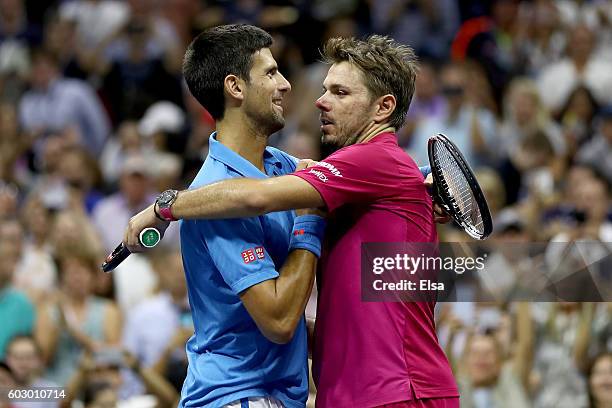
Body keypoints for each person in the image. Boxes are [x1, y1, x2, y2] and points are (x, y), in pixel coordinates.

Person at [125, 34, 458, 407]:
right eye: (271, 72)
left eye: (340, 93)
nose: (317, 99)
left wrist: (163, 207)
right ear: (234, 87)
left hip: (398, 391)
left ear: (383, 108)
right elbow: (292, 323)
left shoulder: (368, 163)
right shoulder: (353, 179)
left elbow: (254, 196)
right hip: (304, 394)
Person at [128, 24, 324, 408]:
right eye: (270, 72)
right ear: (235, 87)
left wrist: (419, 182)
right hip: (238, 397)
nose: (285, 84)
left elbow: (347, 180)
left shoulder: (280, 166)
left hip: (271, 394)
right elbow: (280, 322)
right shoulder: (216, 194)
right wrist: (308, 222)